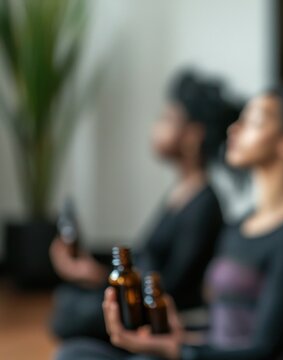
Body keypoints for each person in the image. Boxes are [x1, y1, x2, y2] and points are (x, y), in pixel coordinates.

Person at [84, 83, 283, 360]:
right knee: (78, 351)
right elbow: (223, 330)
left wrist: (178, 350)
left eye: (252, 122)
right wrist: (179, 337)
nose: (234, 129)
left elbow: (267, 350)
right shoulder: (238, 225)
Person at [50, 70, 237, 342]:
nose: (156, 127)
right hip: (140, 296)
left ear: (193, 135)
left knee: (71, 314)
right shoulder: (181, 192)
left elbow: (171, 285)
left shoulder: (205, 205)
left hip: (165, 316)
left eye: (167, 119)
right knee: (67, 300)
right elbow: (146, 258)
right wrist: (96, 271)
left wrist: (99, 277)